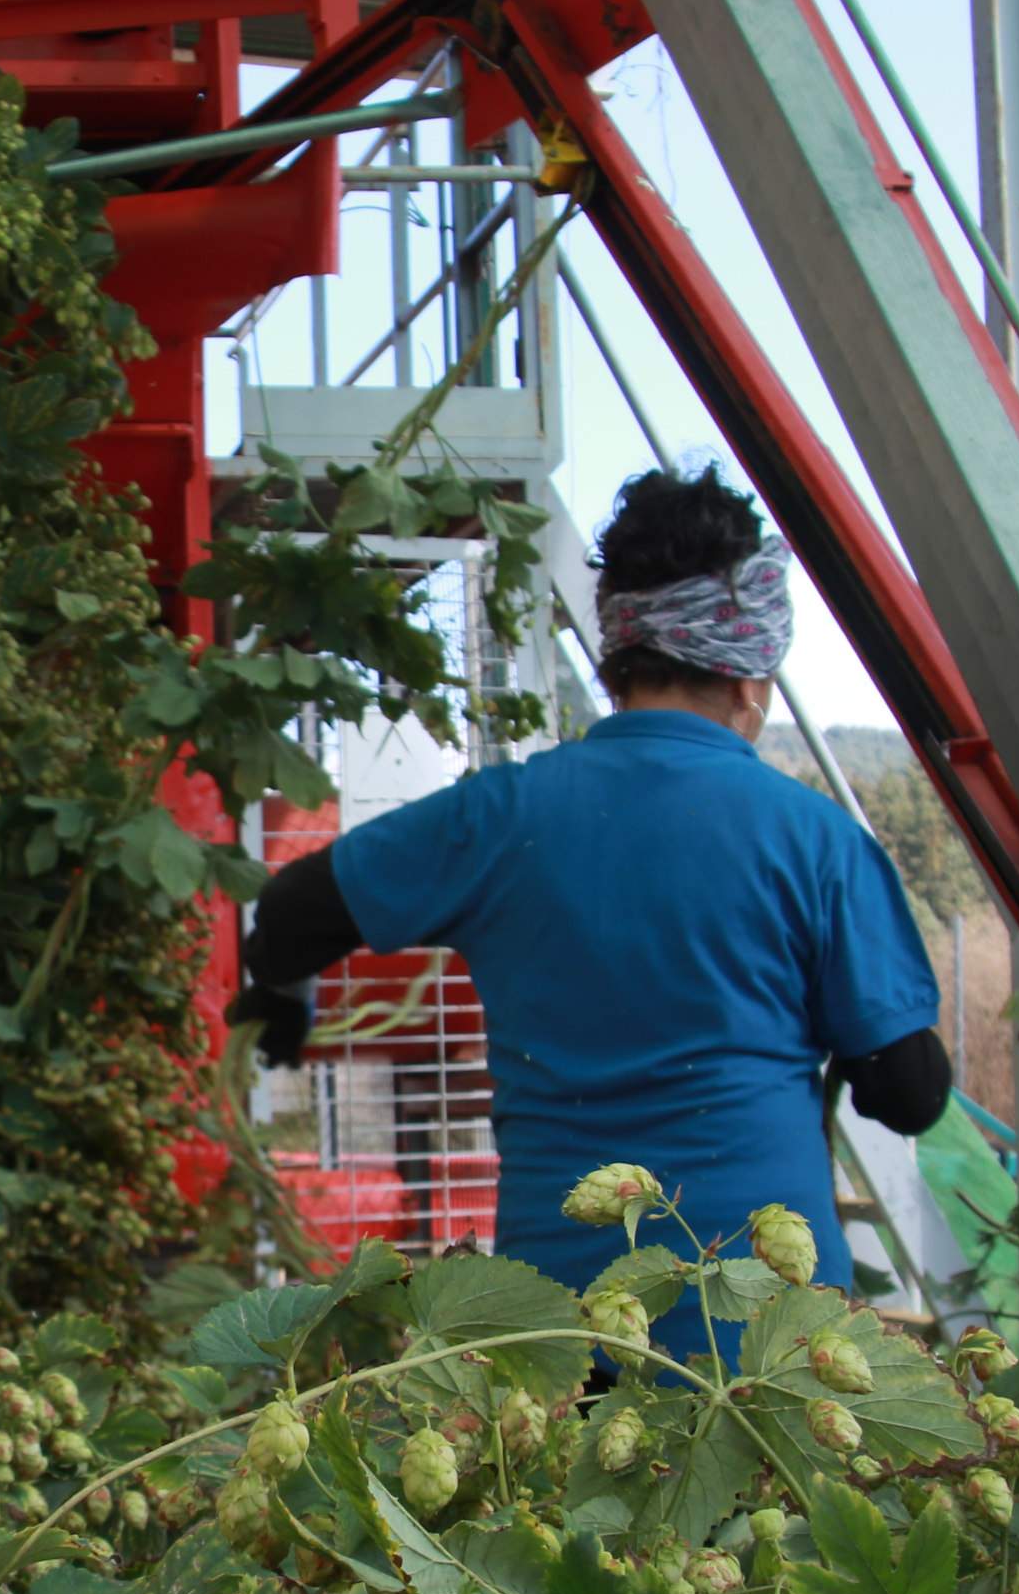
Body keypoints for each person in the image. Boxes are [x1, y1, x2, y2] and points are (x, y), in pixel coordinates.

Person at [229, 469, 953, 1357]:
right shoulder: (817, 842)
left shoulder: (503, 817)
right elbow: (911, 1093)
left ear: (617, 658)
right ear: (751, 679)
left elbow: (294, 908)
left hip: (558, 1335)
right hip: (773, 1339)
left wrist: (285, 998)